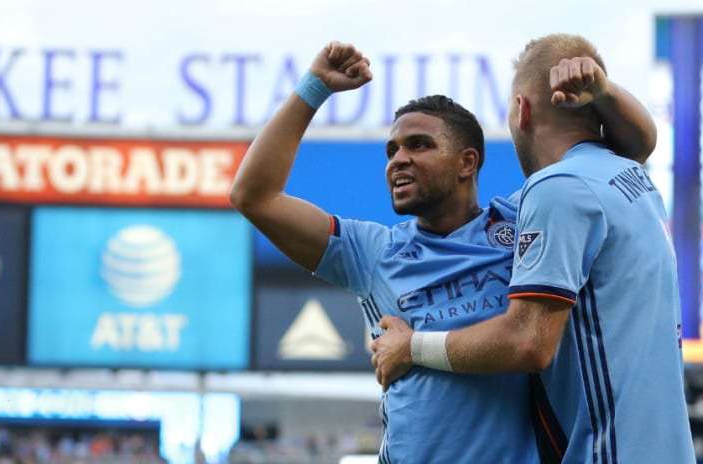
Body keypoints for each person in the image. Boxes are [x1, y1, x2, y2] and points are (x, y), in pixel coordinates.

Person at [229, 40, 656, 463]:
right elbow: (254, 195)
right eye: (391, 150)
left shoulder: (527, 218)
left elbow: (632, 148)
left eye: (419, 145)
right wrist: (314, 88)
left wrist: (604, 90)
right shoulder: (372, 252)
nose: (397, 160)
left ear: (466, 163)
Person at [371, 33, 695, 463]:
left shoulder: (556, 189)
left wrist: (410, 348)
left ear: (521, 110)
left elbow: (528, 342)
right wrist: (606, 91)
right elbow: (644, 140)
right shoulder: (629, 175)